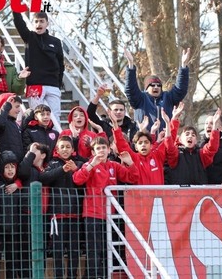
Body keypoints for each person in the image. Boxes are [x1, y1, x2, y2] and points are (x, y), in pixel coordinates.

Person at [72, 137, 139, 279]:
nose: (101, 151)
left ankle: (103, 275)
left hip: (110, 215)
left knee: (106, 248)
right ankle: (94, 276)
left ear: (109, 150)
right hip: (92, 214)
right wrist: (91, 165)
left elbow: (133, 178)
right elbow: (77, 179)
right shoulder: (90, 164)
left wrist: (130, 163)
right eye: (98, 148)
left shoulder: (114, 166)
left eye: (104, 148)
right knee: (94, 249)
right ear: (93, 151)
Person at [39, 135, 84, 278]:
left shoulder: (78, 164)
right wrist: (62, 170)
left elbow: (84, 181)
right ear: (57, 149)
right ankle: (58, 276)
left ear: (73, 149)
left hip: (74, 214)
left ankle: (72, 275)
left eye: (68, 147)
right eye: (62, 147)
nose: (65, 149)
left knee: (74, 249)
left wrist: (76, 170)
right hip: (56, 215)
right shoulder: (52, 164)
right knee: (57, 250)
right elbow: (43, 178)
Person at [12, 11, 64, 121]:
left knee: (55, 117)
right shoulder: (29, 37)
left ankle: (55, 137)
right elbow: (19, 23)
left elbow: (61, 64)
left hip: (53, 85)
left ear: (47, 24)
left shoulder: (56, 42)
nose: (38, 24)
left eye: (41, 21)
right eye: (36, 21)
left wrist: (58, 83)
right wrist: (15, 7)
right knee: (37, 116)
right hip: (35, 85)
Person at [124, 47, 190, 130]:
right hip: (145, 140)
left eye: (158, 85)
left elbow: (180, 89)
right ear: (146, 88)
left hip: (165, 139)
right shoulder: (140, 99)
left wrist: (183, 66)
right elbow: (130, 89)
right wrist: (130, 64)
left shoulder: (168, 97)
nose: (156, 87)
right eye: (152, 85)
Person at [111, 107, 177, 185]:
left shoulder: (157, 155)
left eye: (146, 142)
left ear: (151, 145)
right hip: (140, 196)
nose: (143, 145)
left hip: (158, 196)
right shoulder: (134, 158)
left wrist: (172, 120)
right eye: (140, 143)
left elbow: (170, 140)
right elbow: (122, 145)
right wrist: (115, 125)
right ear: (136, 147)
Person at [17, 142, 51, 279]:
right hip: (27, 215)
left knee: (41, 250)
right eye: (29, 151)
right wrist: (30, 153)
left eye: (34, 152)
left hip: (44, 217)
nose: (30, 154)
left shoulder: (48, 170)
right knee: (26, 250)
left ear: (43, 155)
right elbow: (22, 172)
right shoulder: (28, 169)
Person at [165, 107, 222, 185]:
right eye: (187, 134)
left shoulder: (201, 154)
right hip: (180, 195)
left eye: (193, 135)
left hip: (199, 195)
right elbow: (169, 145)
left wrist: (215, 126)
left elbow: (212, 147)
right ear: (180, 140)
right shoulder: (176, 154)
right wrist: (172, 120)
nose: (190, 136)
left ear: (196, 140)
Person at [0, 150, 22, 279]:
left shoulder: (17, 187)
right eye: (7, 167)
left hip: (14, 231)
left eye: (13, 167)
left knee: (13, 261)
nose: (10, 170)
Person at [0, 92, 24, 161]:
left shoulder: (14, 123)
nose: (19, 110)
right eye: (17, 106)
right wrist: (7, 105)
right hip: (4, 163)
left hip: (15, 164)